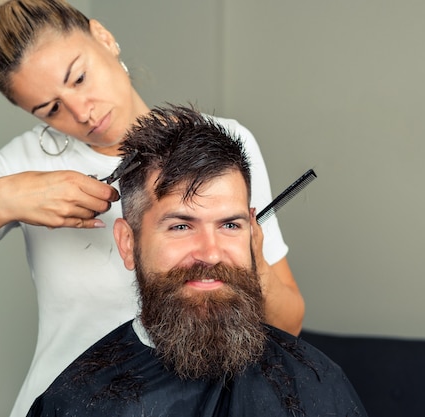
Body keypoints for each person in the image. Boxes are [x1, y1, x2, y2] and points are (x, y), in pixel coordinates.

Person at [0, 1, 304, 416]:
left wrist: (244, 253)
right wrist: (3, 199)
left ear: (104, 37)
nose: (83, 112)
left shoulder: (221, 144)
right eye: (51, 110)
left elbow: (287, 326)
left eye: (80, 78)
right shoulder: (23, 164)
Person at [26, 105, 366, 417]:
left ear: (253, 234)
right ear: (128, 243)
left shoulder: (316, 383)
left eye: (230, 225)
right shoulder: (75, 402)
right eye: (181, 226)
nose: (210, 252)